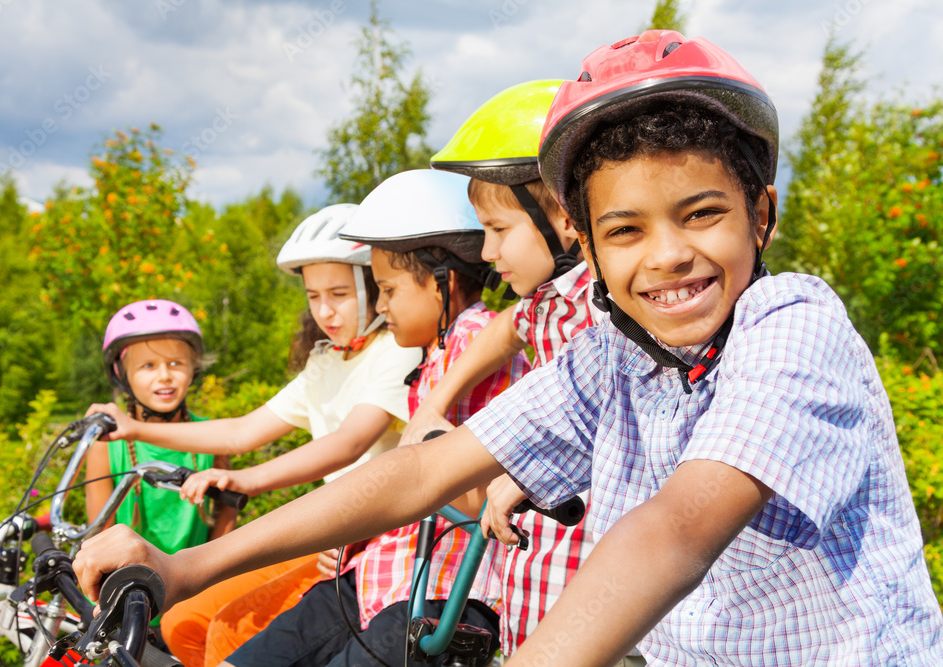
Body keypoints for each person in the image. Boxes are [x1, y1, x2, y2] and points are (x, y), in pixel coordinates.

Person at [75, 31, 943, 667]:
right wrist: (185, 564)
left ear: (763, 213)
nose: (669, 254)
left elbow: (676, 528)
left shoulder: (791, 322)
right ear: (589, 247)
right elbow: (425, 470)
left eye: (702, 212)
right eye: (626, 229)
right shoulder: (614, 356)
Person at [86, 204, 423, 667]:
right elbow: (243, 430)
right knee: (183, 624)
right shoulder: (326, 360)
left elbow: (348, 442)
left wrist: (248, 479)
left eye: (340, 293)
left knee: (224, 630)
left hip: (369, 534)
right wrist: (133, 427)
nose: (324, 310)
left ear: (373, 287)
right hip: (333, 532)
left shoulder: (395, 351)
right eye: (312, 296)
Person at [221, 169, 529, 667]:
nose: (382, 308)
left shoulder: (474, 343)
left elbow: (479, 494)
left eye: (387, 289)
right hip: (379, 575)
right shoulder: (435, 356)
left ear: (441, 282)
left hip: (442, 591)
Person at [409, 79, 644, 666]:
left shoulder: (599, 309)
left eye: (498, 231)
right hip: (538, 580)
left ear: (565, 221)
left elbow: (625, 423)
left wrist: (530, 473)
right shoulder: (545, 304)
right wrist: (438, 401)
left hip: (594, 583)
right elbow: (503, 330)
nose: (486, 254)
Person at [84, 299, 238, 633]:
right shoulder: (107, 446)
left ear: (193, 368)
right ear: (121, 375)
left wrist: (211, 591)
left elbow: (224, 526)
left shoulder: (212, 436)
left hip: (195, 596)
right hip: (131, 601)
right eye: (148, 366)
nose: (165, 376)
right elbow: (101, 528)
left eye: (176, 363)